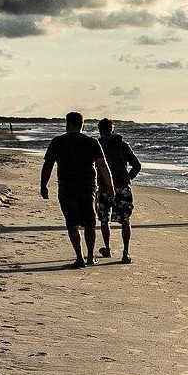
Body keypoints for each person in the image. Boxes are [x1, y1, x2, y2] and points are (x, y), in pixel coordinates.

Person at [40, 111, 114, 268]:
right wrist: (110, 187)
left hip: (66, 187)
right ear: (82, 124)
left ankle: (79, 257)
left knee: (72, 222)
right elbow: (102, 165)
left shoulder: (58, 141)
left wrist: (43, 185)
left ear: (67, 123)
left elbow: (48, 164)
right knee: (90, 222)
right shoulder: (91, 142)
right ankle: (89, 257)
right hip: (87, 187)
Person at [96, 117, 141, 263]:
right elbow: (137, 165)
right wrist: (128, 178)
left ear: (100, 130)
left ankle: (108, 249)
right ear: (112, 129)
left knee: (104, 220)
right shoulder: (122, 144)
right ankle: (125, 253)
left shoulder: (97, 145)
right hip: (122, 187)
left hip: (104, 186)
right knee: (126, 221)